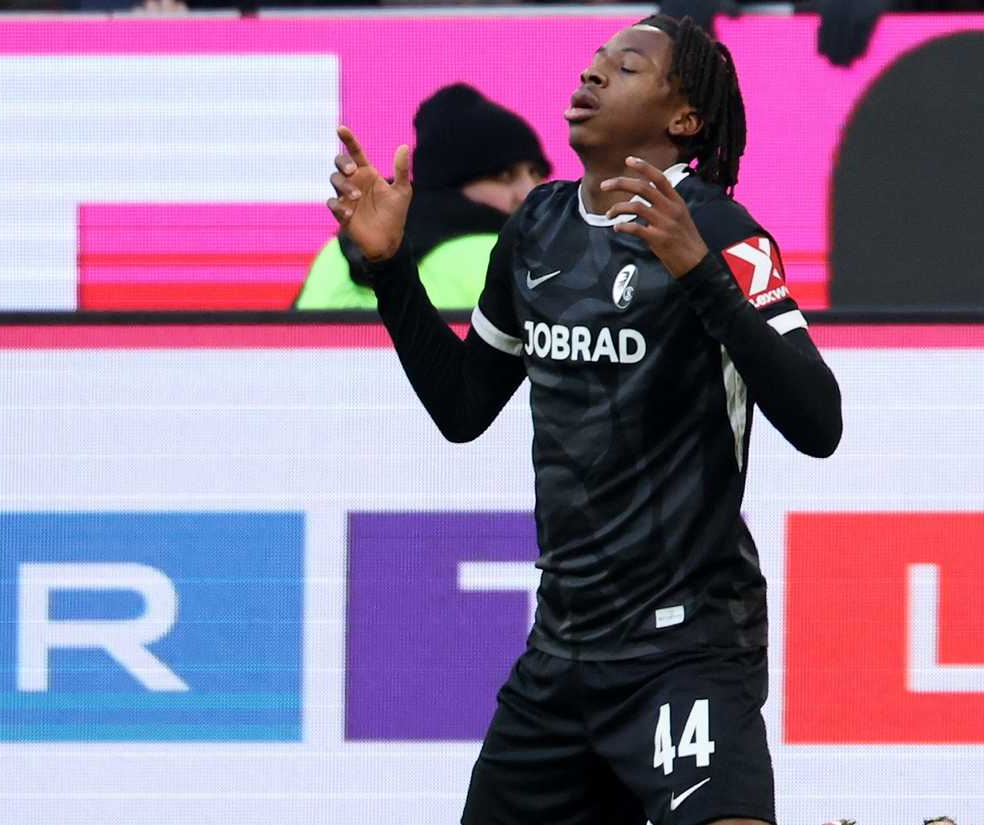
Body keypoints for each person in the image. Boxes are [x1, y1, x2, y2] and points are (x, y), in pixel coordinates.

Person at [327, 14, 841, 825]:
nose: (595, 74)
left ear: (684, 119)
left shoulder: (726, 235)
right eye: (596, 60)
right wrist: (390, 271)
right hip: (562, 651)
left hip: (687, 649)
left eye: (627, 66)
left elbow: (820, 422)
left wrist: (699, 274)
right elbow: (464, 410)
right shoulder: (537, 226)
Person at [297, 83, 549, 310]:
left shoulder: (333, 253)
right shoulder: (513, 255)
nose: (529, 191)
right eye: (504, 176)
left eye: (536, 173)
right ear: (451, 183)